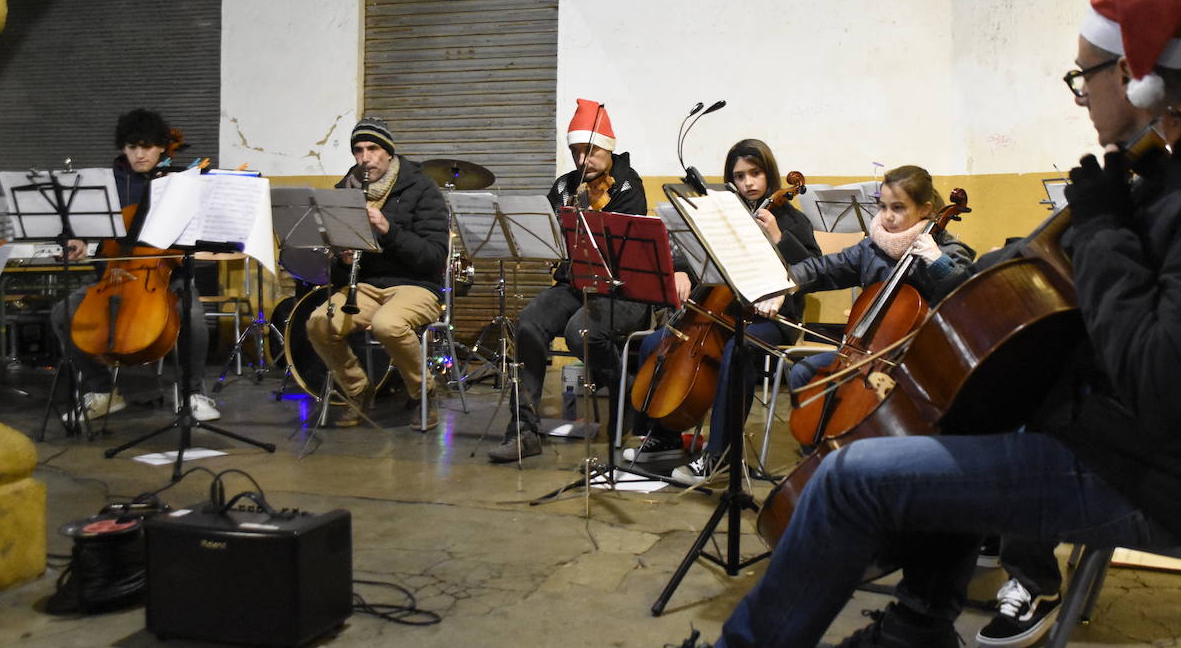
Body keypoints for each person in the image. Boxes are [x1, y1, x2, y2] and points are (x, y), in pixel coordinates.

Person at [586, 0, 1181, 648]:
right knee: (971, 405)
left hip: (1157, 477)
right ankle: (922, 624)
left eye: (1084, 75)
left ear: (1134, 78)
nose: (1081, 94)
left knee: (851, 476)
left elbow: (1166, 381)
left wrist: (1100, 229)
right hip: (1127, 445)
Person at [623, 139, 821, 484]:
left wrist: (777, 236)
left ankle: (720, 455)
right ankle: (664, 437)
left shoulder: (791, 217)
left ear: (769, 173)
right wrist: (681, 268)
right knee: (658, 340)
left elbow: (814, 269)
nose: (748, 183)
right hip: (722, 310)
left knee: (739, 348)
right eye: (739, 176)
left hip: (774, 318)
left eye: (755, 173)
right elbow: (692, 250)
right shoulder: (728, 215)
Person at [488, 99, 654, 462]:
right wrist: (546, 244)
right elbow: (549, 230)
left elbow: (622, 251)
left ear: (607, 147)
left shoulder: (628, 186)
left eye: (590, 151)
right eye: (576, 152)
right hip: (575, 283)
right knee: (528, 323)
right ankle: (524, 429)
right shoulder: (565, 186)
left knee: (583, 330)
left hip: (622, 290)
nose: (582, 161)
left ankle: (624, 390)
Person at [50, 108, 220, 424]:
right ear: (122, 148)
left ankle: (192, 392)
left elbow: (200, 234)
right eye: (131, 147)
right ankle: (101, 391)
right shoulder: (104, 183)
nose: (139, 155)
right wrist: (74, 241)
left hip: (168, 280)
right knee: (63, 313)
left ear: (161, 147)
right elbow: (75, 225)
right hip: (112, 278)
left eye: (146, 147)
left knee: (193, 316)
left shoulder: (179, 181)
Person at [779, 163, 976, 428]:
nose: (888, 216)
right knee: (803, 372)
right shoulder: (873, 247)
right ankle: (821, 454)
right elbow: (824, 268)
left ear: (925, 209)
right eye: (883, 207)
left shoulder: (946, 250)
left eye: (898, 208)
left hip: (915, 365)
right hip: (864, 356)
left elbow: (965, 295)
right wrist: (783, 285)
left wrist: (937, 261)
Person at [305, 117, 449, 427]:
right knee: (319, 323)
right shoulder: (345, 191)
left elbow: (434, 257)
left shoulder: (422, 188)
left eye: (373, 149)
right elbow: (338, 269)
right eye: (358, 150)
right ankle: (357, 389)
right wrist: (342, 260)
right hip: (366, 286)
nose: (365, 158)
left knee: (389, 325)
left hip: (417, 284)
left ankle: (423, 393)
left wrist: (388, 229)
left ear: (388, 151)